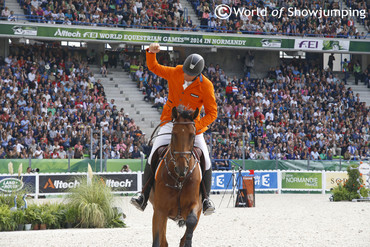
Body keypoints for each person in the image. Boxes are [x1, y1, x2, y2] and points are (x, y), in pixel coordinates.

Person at [131, 43, 218, 215]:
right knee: (154, 153)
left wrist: (196, 127)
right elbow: (153, 67)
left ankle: (206, 199)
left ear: (198, 74)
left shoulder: (206, 86)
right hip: (170, 122)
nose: (186, 75)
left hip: (193, 127)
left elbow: (212, 113)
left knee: (206, 159)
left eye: (190, 74)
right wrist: (151, 52)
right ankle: (143, 195)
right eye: (186, 71)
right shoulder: (176, 71)